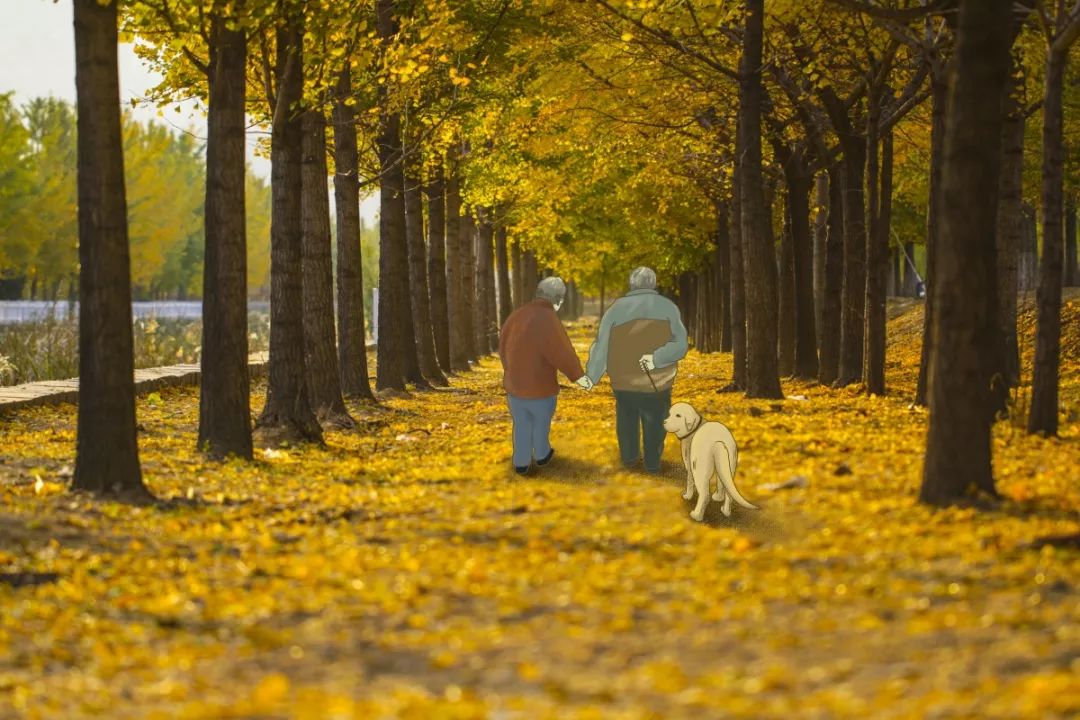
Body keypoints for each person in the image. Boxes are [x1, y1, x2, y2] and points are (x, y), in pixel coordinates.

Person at [583, 266, 688, 473]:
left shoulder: (615, 309)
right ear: (654, 283)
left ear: (632, 284)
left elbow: (601, 345)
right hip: (658, 380)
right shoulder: (668, 308)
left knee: (626, 418)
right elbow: (681, 344)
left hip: (623, 379)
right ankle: (652, 462)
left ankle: (629, 458)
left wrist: (592, 376)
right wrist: (657, 358)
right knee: (656, 420)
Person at [498, 276, 588, 475]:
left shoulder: (517, 315)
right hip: (540, 386)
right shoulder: (548, 318)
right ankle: (541, 453)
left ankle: (521, 461)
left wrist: (509, 368)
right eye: (561, 299)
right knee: (540, 422)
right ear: (556, 298)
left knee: (521, 424)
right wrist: (578, 376)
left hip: (515, 385)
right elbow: (561, 351)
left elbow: (503, 344)